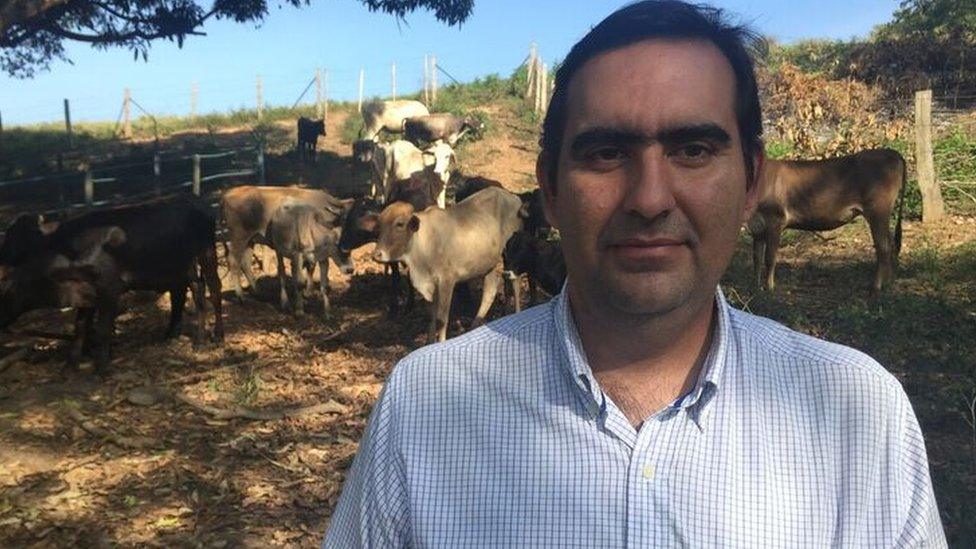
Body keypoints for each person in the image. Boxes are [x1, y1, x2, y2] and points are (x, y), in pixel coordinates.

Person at [323, 1, 946, 546]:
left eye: (694, 150)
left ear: (753, 182)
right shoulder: (424, 409)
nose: (649, 198)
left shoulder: (862, 415)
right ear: (551, 190)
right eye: (605, 153)